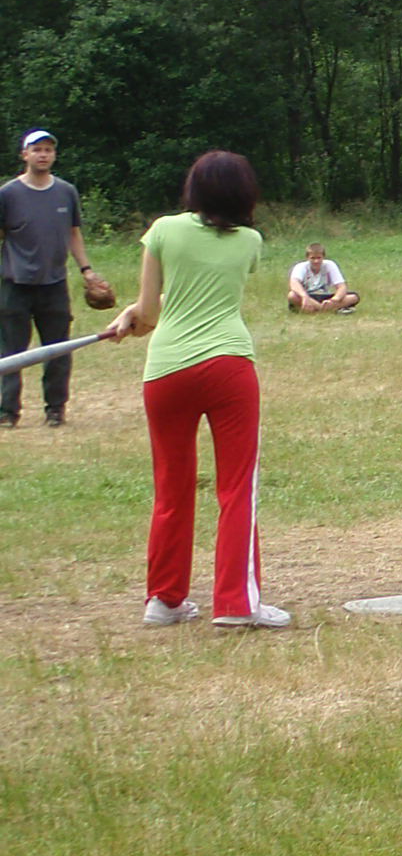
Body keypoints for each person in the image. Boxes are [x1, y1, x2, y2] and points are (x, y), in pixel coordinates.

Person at [101, 151, 290, 629]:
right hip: (228, 366)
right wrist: (139, 312)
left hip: (166, 371)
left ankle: (164, 600)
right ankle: (236, 604)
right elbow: (207, 288)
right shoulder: (250, 241)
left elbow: (151, 312)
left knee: (172, 486)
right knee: (237, 487)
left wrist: (133, 316)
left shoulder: (163, 230)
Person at [2, 128, 102, 428]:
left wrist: (86, 270)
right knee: (10, 351)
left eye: (48, 150)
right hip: (14, 283)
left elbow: (73, 233)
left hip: (54, 284)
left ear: (54, 155)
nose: (43, 155)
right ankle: (7, 411)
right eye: (37, 150)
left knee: (58, 349)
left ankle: (55, 409)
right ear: (25, 155)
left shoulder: (65, 192)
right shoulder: (7, 194)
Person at [286, 243, 361, 314]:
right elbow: (294, 283)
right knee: (292, 295)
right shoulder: (300, 267)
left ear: (323, 257)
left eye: (319, 258)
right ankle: (328, 310)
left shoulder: (330, 265)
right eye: (313, 258)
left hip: (325, 297)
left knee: (353, 297)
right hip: (308, 296)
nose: (316, 261)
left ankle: (317, 310)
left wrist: (334, 299)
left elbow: (342, 286)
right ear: (307, 258)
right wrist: (304, 297)